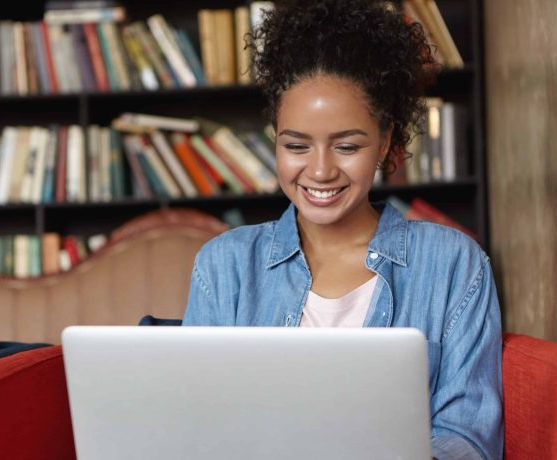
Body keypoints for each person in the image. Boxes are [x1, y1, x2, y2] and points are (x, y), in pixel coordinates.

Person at [182, 0, 503, 458]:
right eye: (295, 145)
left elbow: (468, 437)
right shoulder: (224, 265)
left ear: (386, 141)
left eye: (347, 146)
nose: (319, 170)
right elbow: (196, 426)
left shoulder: (452, 264)